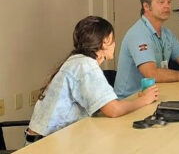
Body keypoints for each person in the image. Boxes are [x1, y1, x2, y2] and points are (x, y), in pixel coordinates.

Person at [26, 16, 159, 142]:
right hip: (46, 145)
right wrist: (144, 100)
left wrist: (138, 100)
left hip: (50, 140)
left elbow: (104, 105)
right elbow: (113, 110)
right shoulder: (85, 65)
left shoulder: (77, 61)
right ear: (106, 40)